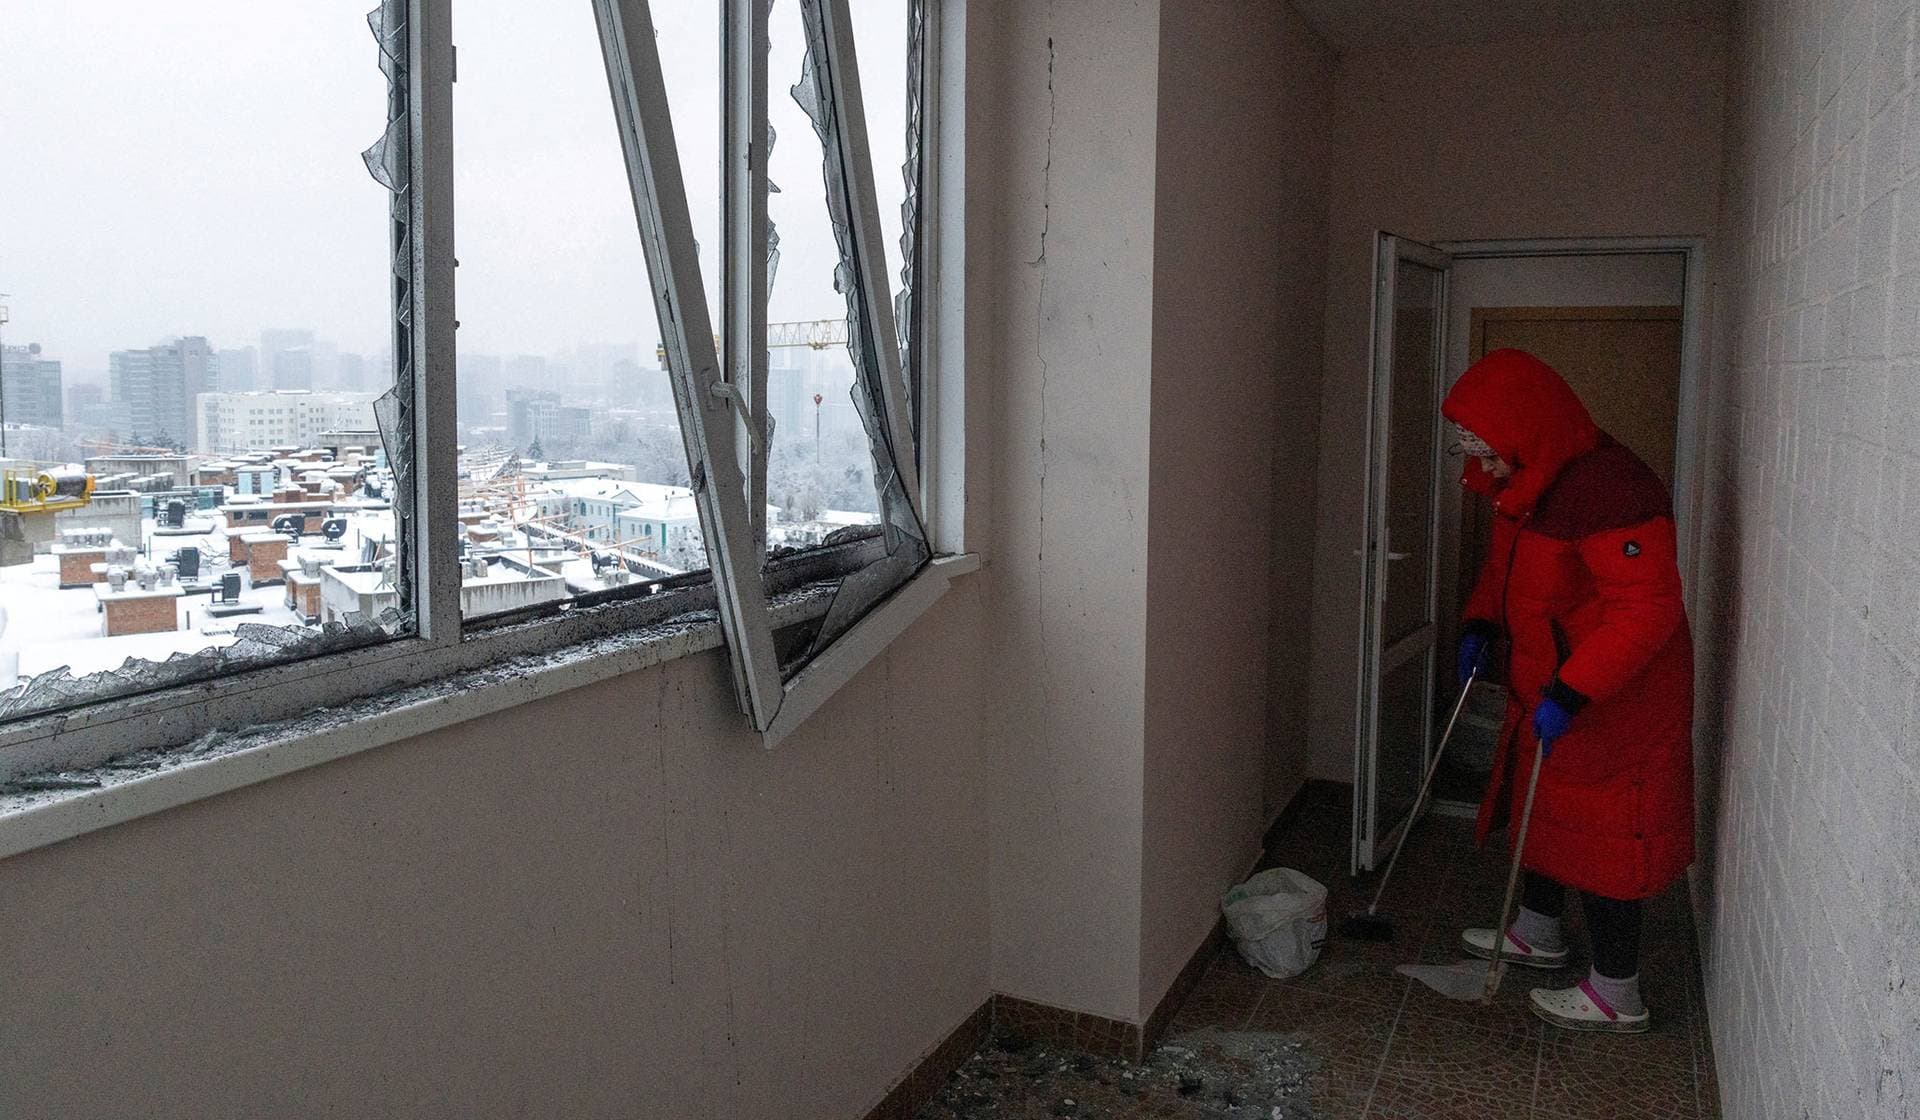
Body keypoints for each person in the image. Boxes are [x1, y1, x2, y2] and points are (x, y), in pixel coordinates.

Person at [1442, 347, 1694, 1034]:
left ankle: (1618, 993)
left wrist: (1575, 691)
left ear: (1525, 431)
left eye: (1490, 452)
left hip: (1617, 704)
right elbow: (1508, 569)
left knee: (1605, 839)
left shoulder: (1614, 491)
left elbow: (1648, 611)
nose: (1484, 468)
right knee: (1543, 807)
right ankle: (1537, 931)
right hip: (1550, 686)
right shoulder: (1529, 482)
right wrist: (1480, 621)